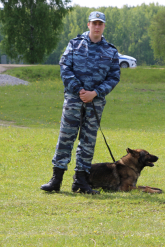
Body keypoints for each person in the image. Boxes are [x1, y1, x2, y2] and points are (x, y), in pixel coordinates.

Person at [41, 11, 120, 194]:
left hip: (95, 103)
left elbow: (114, 77)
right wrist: (79, 90)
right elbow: (65, 67)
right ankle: (56, 179)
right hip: (74, 100)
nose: (97, 26)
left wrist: (95, 93)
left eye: (100, 23)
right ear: (88, 25)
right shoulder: (74, 45)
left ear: (104, 26)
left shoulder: (110, 51)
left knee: (88, 141)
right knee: (65, 138)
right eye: (94, 23)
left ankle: (81, 181)